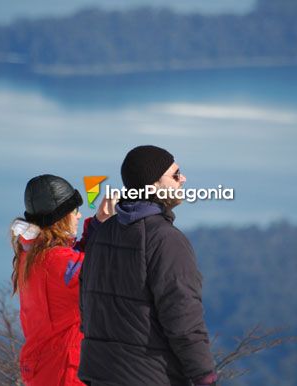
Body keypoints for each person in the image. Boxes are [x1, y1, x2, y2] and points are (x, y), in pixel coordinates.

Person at [78, 145, 218, 386]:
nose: (183, 179)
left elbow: (87, 306)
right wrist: (205, 376)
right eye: (175, 174)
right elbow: (183, 316)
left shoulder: (101, 234)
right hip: (152, 376)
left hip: (101, 375)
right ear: (153, 185)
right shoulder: (165, 240)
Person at [11, 174, 115, 386]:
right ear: (61, 218)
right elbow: (99, 272)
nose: (79, 216)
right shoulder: (56, 262)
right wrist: (114, 228)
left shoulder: (33, 255)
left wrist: (99, 223)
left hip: (49, 368)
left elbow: (75, 265)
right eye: (74, 210)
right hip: (65, 373)